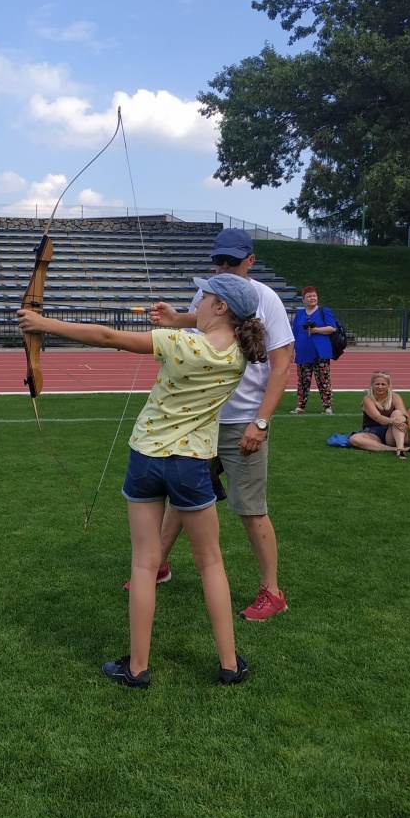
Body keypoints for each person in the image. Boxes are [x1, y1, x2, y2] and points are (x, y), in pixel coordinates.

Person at [17, 272, 268, 688]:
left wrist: (43, 325)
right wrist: (179, 318)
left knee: (145, 563)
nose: (197, 302)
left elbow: (106, 337)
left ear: (221, 306)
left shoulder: (179, 343)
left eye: (203, 297)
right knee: (211, 562)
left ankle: (137, 668)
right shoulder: (242, 351)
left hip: (147, 459)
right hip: (191, 465)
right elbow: (206, 329)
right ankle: (228, 664)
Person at [148, 228, 294, 622]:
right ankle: (158, 565)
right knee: (183, 496)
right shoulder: (206, 293)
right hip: (200, 418)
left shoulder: (266, 299)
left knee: (250, 509)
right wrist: (176, 318)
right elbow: (200, 323)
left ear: (250, 259)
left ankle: (272, 591)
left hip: (241, 420)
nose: (224, 267)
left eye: (232, 261)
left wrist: (260, 422)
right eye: (219, 261)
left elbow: (282, 365)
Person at [290, 285, 337, 414]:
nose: (312, 298)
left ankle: (327, 406)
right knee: (303, 381)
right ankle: (300, 405)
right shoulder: (299, 314)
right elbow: (294, 334)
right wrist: (291, 352)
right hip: (303, 352)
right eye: (309, 296)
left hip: (320, 351)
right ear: (303, 300)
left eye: (314, 296)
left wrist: (316, 330)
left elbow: (332, 328)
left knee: (323, 380)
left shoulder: (324, 310)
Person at [348, 371, 410, 458]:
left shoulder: (395, 397)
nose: (380, 387)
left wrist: (402, 419)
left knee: (397, 413)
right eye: (377, 384)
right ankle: (394, 449)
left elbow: (405, 414)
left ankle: (400, 449)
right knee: (354, 439)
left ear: (388, 385)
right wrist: (395, 421)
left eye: (383, 384)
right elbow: (378, 418)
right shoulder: (367, 399)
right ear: (372, 385)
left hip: (392, 432)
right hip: (374, 433)